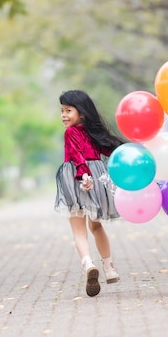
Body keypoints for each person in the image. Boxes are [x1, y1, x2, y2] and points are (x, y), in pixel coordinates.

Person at [54, 89, 124, 297]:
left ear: (82, 112)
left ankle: (88, 265)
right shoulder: (93, 132)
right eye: (62, 111)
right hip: (97, 176)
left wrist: (84, 176)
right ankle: (109, 269)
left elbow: (77, 157)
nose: (64, 115)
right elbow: (109, 151)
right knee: (96, 225)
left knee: (78, 228)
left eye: (68, 110)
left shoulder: (71, 133)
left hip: (78, 178)